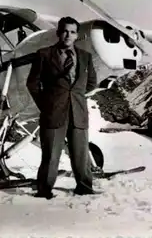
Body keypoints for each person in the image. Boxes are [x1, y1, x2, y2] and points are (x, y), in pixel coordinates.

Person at [26, 16, 99, 199]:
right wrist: (46, 104)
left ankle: (84, 187)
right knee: (51, 155)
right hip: (53, 112)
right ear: (59, 33)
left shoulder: (85, 57)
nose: (68, 35)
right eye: (65, 31)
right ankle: (44, 191)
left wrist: (76, 95)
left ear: (77, 36)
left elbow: (91, 83)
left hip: (78, 112)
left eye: (72, 32)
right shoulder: (44, 54)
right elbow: (32, 84)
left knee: (81, 154)